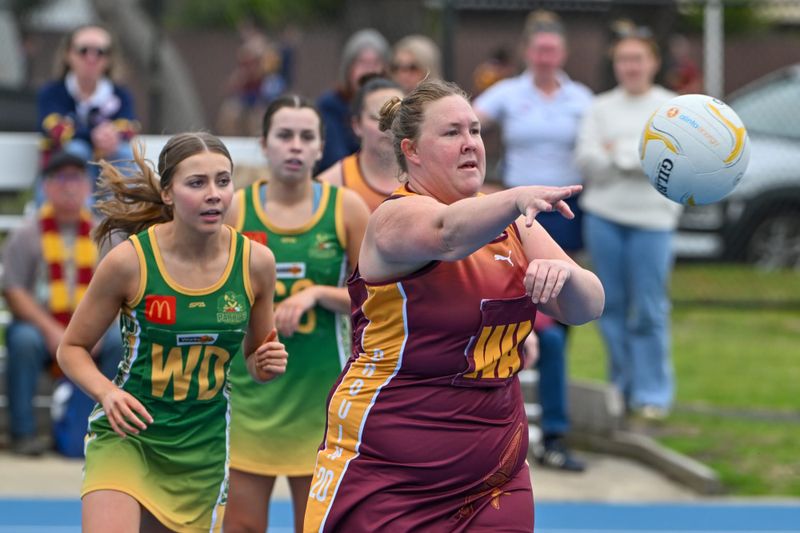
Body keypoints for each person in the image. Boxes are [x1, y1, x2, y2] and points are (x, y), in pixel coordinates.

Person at [303, 79, 604, 532]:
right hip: (389, 470)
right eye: (452, 133)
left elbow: (589, 305)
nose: (470, 144)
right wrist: (516, 196)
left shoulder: (512, 223)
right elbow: (447, 234)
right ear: (412, 151)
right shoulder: (394, 218)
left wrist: (567, 278)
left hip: (492, 474)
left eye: (476, 131)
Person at [56, 132, 289, 532]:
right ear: (167, 193)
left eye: (223, 180)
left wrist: (266, 361)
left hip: (201, 449)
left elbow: (255, 361)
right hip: (129, 437)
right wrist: (108, 393)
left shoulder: (256, 263)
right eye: (196, 183)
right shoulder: (129, 262)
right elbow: (72, 348)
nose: (213, 194)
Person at [223, 95, 369, 533]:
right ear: (264, 144)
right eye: (284, 135)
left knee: (318, 527)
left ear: (322, 146)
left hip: (322, 401)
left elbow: (377, 300)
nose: (295, 146)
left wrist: (319, 294)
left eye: (307, 137)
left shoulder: (345, 208)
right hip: (250, 398)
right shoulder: (235, 209)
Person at [473, 10, 593, 470]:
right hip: (522, 211)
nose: (545, 56)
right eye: (538, 48)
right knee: (519, 304)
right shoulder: (509, 92)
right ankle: (506, 410)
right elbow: (470, 117)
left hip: (565, 209)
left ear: (562, 53)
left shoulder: (580, 97)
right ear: (528, 51)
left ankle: (553, 426)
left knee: (562, 312)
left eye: (552, 49)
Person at [575, 32, 681, 422]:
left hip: (653, 221)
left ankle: (653, 393)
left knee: (649, 310)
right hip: (604, 218)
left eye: (638, 59)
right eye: (624, 59)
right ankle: (621, 386)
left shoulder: (671, 107)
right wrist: (641, 153)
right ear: (615, 64)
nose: (631, 67)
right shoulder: (599, 107)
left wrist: (617, 153)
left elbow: (671, 162)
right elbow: (586, 161)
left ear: (653, 62)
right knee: (612, 306)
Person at [1, 150, 122, 457]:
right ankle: (24, 435)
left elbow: (123, 291)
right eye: (61, 179)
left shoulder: (105, 234)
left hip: (94, 332)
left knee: (119, 341)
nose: (70, 187)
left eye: (77, 179)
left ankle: (104, 430)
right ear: (46, 187)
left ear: (86, 187)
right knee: (23, 339)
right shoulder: (26, 235)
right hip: (43, 332)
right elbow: (14, 291)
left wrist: (91, 331)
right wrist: (55, 332)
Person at [37, 24, 138, 178]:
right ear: (68, 54)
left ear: (109, 59)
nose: (91, 58)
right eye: (83, 51)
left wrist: (112, 136)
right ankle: (78, 203)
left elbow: (128, 128)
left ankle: (124, 202)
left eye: (100, 52)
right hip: (57, 182)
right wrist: (94, 136)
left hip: (106, 176)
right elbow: (56, 130)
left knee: (122, 152)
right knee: (76, 150)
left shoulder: (121, 95)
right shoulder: (52, 93)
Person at [317, 76, 404, 212]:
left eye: (397, 116)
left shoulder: (429, 177)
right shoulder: (328, 187)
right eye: (377, 118)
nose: (389, 127)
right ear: (356, 125)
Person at [316, 28, 390, 173]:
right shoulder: (330, 106)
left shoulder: (393, 106)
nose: (369, 71)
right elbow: (335, 159)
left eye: (375, 63)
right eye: (362, 63)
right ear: (348, 69)